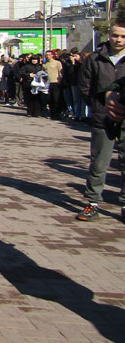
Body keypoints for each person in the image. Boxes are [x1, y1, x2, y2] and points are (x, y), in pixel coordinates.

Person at [76, 19, 125, 222]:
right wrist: (99, 107)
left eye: (123, 36)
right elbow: (85, 86)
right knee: (99, 163)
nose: (119, 40)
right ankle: (92, 203)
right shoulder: (95, 58)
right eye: (115, 35)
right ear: (109, 35)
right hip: (103, 119)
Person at [43, 50, 63, 120]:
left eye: (49, 54)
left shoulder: (57, 63)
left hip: (56, 82)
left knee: (56, 99)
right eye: (46, 55)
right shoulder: (45, 64)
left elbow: (61, 72)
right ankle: (52, 113)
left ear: (52, 55)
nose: (47, 56)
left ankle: (57, 113)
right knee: (49, 99)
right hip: (48, 83)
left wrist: (60, 79)